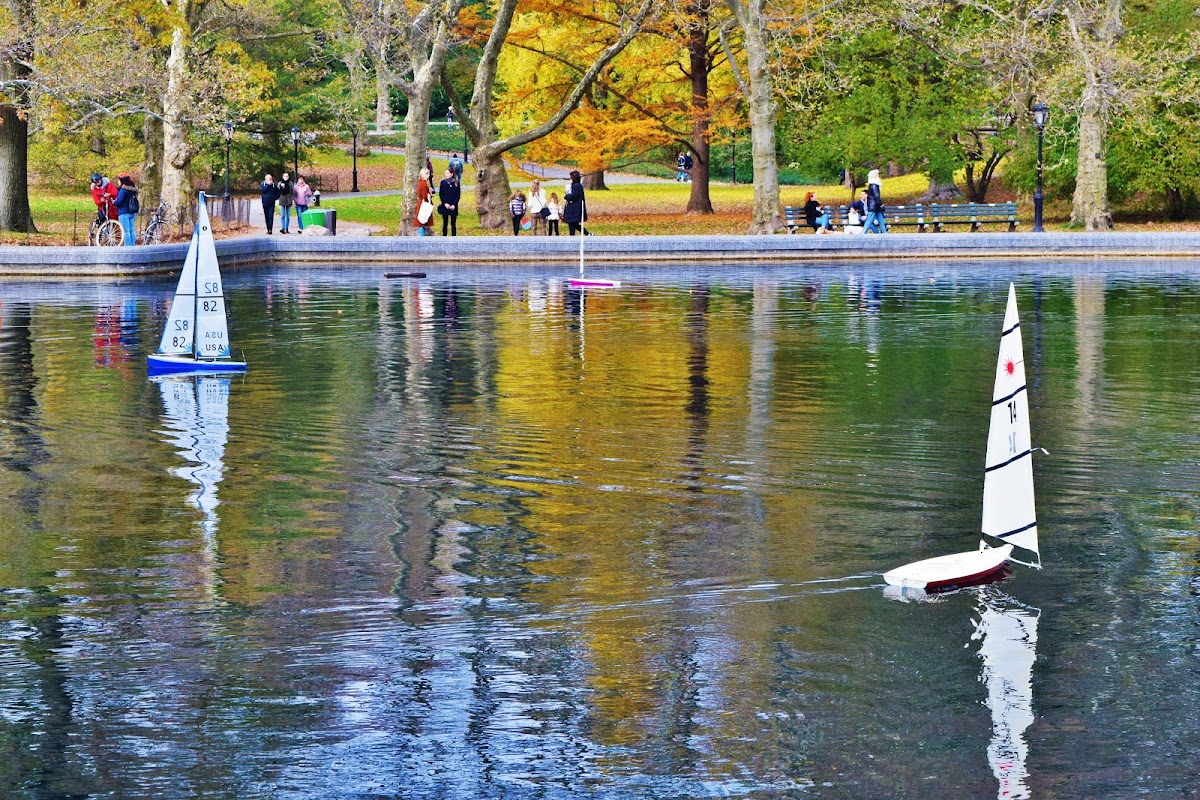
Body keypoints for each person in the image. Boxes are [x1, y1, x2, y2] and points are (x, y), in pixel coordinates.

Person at [113, 173, 139, 246]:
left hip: (123, 212)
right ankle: (132, 245)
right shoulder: (132, 188)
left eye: (118, 180)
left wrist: (114, 202)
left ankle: (127, 246)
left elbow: (119, 201)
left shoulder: (123, 190)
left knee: (126, 231)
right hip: (132, 212)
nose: (118, 182)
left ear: (122, 181)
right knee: (132, 230)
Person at [863, 169, 888, 234]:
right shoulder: (874, 185)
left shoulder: (872, 184)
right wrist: (881, 204)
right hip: (874, 205)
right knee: (869, 220)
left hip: (874, 205)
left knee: (881, 220)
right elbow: (876, 196)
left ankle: (885, 233)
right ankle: (863, 233)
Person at [438, 167, 460, 236]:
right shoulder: (443, 182)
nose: (446, 175)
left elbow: (458, 195)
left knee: (453, 223)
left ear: (451, 174)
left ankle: (454, 237)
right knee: (445, 223)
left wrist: (454, 204)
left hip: (453, 206)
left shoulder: (456, 183)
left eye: (447, 173)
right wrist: (445, 203)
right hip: (445, 205)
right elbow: (441, 194)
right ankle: (444, 236)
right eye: (445, 173)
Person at [563, 170, 587, 235]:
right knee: (572, 224)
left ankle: (587, 233)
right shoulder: (576, 186)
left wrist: (566, 196)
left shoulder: (576, 186)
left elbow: (574, 196)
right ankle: (573, 236)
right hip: (573, 208)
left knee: (573, 224)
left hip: (575, 208)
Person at [413, 167, 434, 235]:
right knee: (422, 221)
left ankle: (421, 236)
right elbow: (424, 195)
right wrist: (430, 194)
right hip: (423, 204)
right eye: (428, 174)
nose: (429, 175)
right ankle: (421, 238)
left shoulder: (421, 182)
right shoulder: (423, 183)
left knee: (421, 221)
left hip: (421, 203)